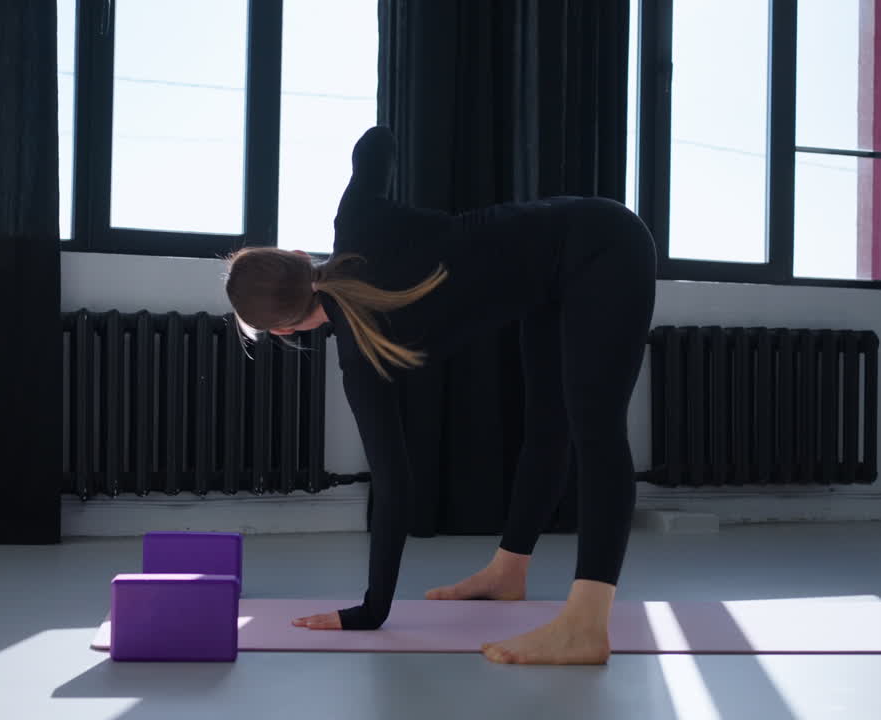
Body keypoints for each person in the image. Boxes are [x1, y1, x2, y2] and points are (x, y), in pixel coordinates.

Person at [224, 126, 656, 665]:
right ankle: (508, 572)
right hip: (570, 255)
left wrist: (371, 610)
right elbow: (376, 144)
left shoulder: (362, 360)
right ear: (294, 254)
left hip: (605, 251)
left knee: (595, 429)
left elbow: (394, 487)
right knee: (549, 427)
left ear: (285, 331)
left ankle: (586, 625)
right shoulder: (355, 219)